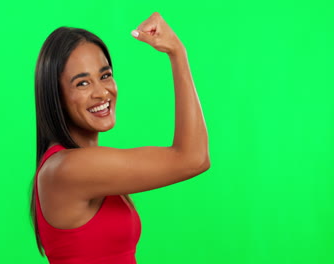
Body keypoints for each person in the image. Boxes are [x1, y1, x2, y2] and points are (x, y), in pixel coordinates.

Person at [30, 12, 210, 263]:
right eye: (82, 83)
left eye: (105, 75)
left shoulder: (85, 167)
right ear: (55, 96)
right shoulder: (67, 169)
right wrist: (177, 53)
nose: (101, 92)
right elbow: (193, 158)